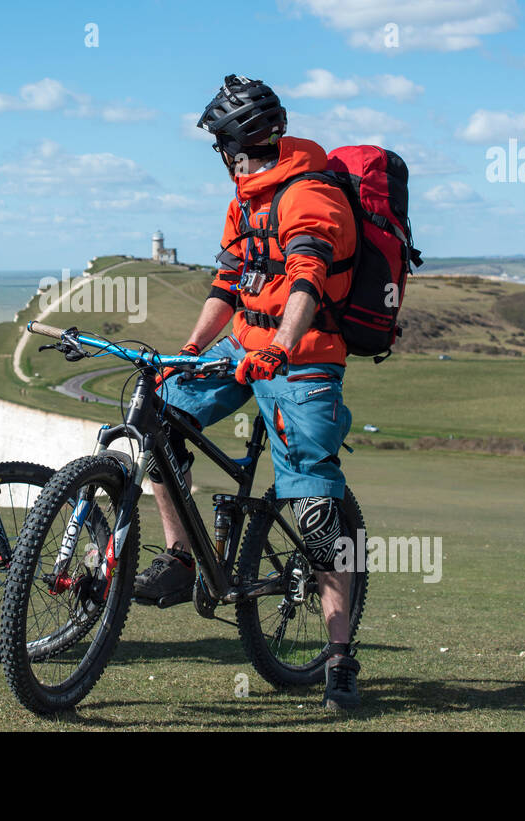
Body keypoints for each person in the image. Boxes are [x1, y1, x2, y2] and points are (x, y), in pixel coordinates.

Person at [134, 75, 362, 711]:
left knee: (316, 510)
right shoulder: (245, 198)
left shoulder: (309, 193)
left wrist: (281, 347)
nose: (218, 153)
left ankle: (340, 654)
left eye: (218, 141)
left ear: (234, 141)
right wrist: (188, 351)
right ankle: (182, 559)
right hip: (243, 345)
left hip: (304, 359)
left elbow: (308, 278)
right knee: (161, 417)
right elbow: (229, 279)